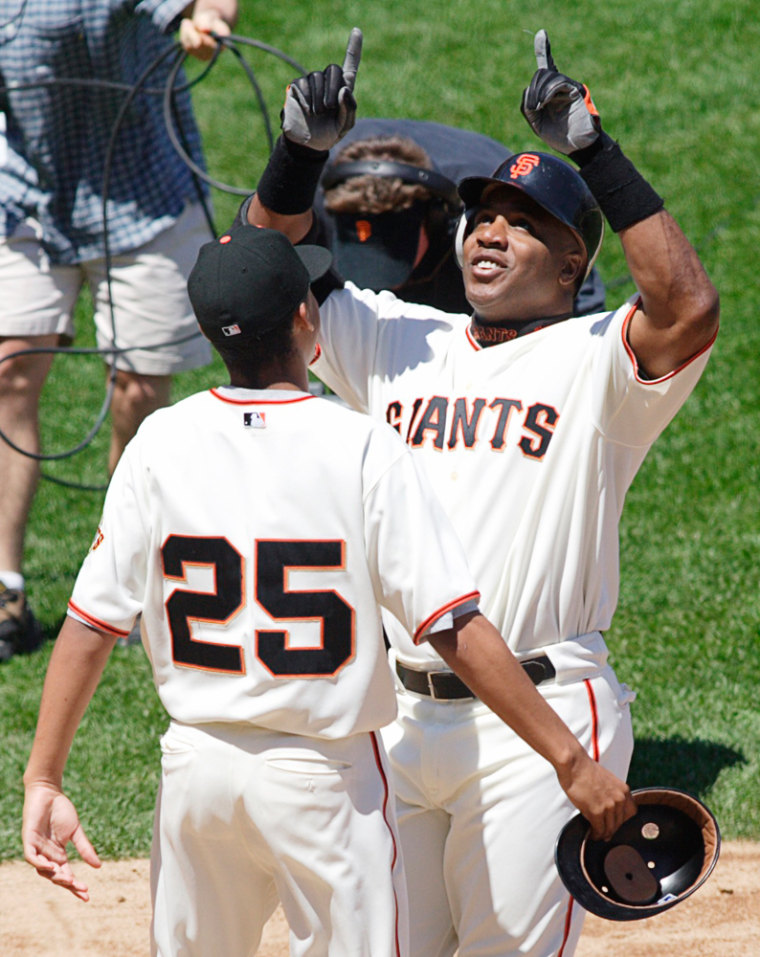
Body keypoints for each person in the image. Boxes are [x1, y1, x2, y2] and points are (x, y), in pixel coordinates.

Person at [21, 224, 635, 957]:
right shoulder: (363, 444)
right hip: (323, 780)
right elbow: (453, 626)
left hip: (195, 770)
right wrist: (570, 758)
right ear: (306, 321)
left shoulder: (160, 440)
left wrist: (44, 777)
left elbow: (91, 626)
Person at [245, 27, 720, 957]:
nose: (490, 231)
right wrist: (298, 156)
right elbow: (261, 278)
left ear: (575, 263)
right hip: (397, 714)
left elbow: (688, 306)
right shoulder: (396, 341)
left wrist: (595, 148)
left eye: (523, 221)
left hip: (541, 723)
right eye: (483, 216)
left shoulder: (599, 365)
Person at [0, 0, 238, 661]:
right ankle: (4, 585)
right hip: (23, 187)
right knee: (9, 369)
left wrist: (205, 20)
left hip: (143, 189)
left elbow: (203, 6)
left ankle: (124, 579)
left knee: (138, 387)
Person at [315, 116, 606, 316]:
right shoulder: (314, 197)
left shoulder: (499, 196)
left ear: (442, 220)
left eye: (393, 254)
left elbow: (572, 293)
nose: (384, 289)